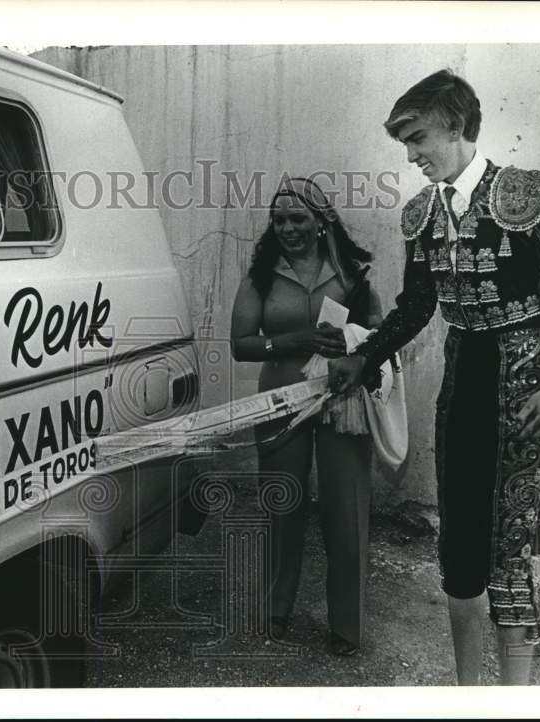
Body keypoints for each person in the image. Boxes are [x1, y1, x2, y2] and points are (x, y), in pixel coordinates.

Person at [328, 70, 540, 685]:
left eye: (417, 137)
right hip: (462, 383)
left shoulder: (532, 197)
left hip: (524, 387)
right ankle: (467, 694)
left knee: (513, 546)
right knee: (459, 547)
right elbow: (415, 306)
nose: (410, 155)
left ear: (455, 126)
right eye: (403, 142)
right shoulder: (423, 214)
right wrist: (364, 357)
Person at [230, 176, 382, 656]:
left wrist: (355, 343)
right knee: (282, 504)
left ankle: (347, 625)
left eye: (298, 219)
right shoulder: (262, 274)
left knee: (346, 508)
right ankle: (278, 606)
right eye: (280, 220)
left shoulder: (352, 273)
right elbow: (241, 344)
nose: (288, 228)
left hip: (343, 401)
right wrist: (293, 342)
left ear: (321, 221)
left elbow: (381, 334)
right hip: (280, 400)